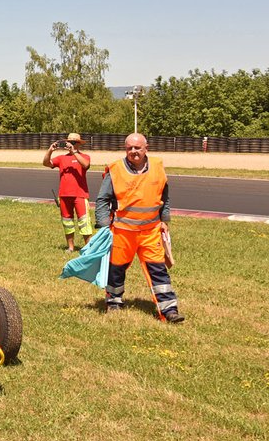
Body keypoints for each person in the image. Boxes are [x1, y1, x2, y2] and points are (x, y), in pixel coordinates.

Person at [95, 133, 184, 323]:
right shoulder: (115, 169)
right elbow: (102, 199)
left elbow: (164, 196)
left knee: (158, 269)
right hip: (122, 232)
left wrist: (164, 220)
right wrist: (103, 227)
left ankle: (169, 310)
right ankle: (114, 302)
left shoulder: (158, 167)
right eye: (129, 148)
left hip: (150, 231)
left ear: (146, 148)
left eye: (137, 148)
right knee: (116, 270)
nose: (133, 151)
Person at [43, 132, 93, 252]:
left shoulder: (84, 156)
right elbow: (46, 163)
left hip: (80, 195)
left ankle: (88, 248)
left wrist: (74, 152)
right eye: (69, 142)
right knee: (67, 222)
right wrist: (50, 150)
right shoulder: (61, 158)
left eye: (74, 142)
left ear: (78, 144)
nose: (71, 144)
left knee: (84, 222)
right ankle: (70, 247)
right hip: (64, 195)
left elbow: (86, 165)